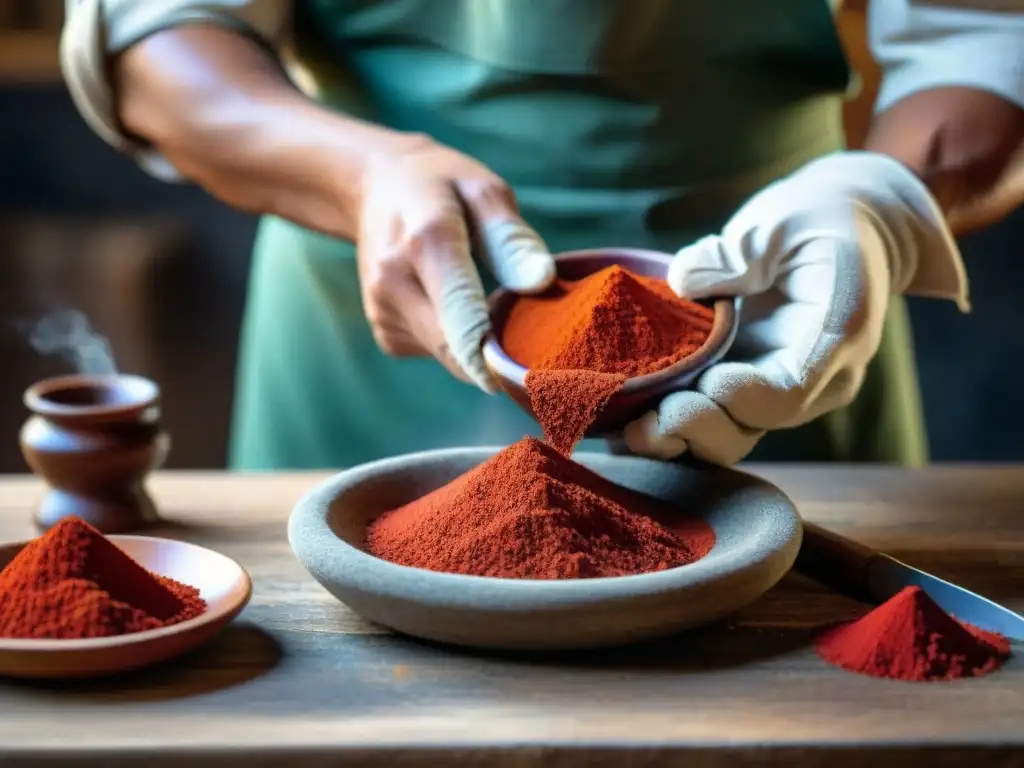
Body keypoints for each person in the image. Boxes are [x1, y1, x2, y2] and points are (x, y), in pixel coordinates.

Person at [61, 0, 1024, 470]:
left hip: (782, 300)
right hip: (383, 288)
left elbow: (980, 34)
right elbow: (157, 38)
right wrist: (364, 176)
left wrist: (876, 200)